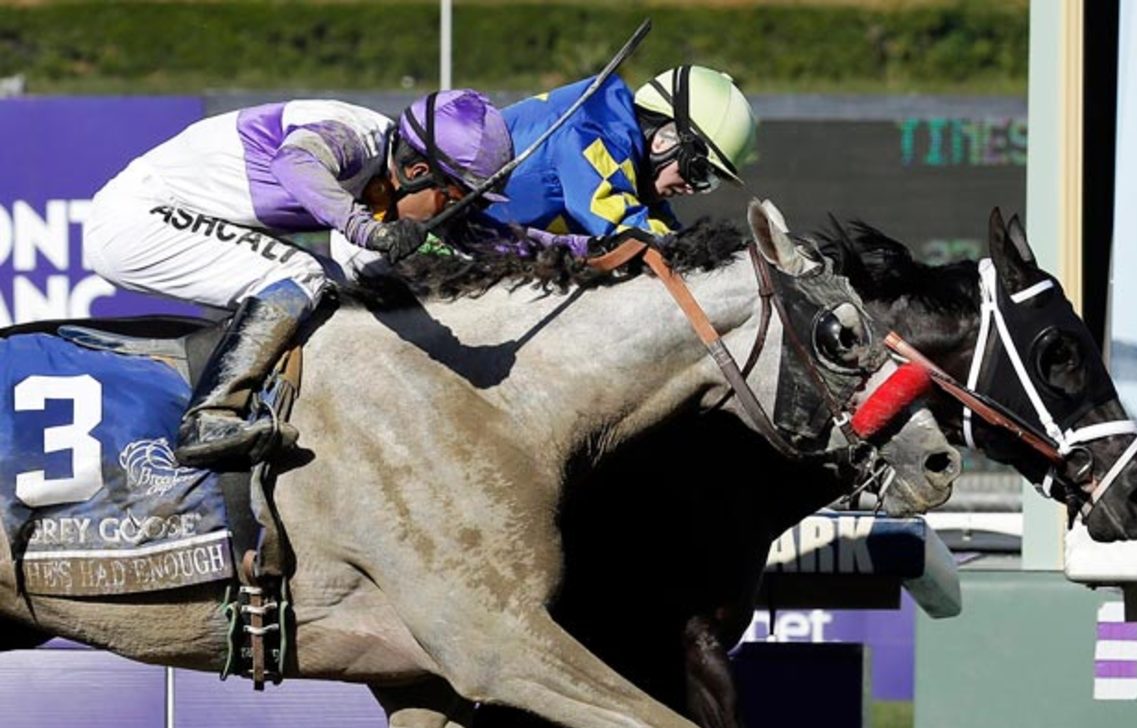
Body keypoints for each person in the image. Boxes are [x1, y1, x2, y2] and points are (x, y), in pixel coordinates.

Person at [83, 91, 514, 467]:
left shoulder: (386, 166)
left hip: (176, 216)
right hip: (138, 220)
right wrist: (369, 230)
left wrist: (571, 250)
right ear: (418, 171)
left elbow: (480, 238)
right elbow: (295, 162)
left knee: (341, 285)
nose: (452, 215)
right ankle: (210, 418)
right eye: (455, 200)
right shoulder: (354, 137)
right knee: (301, 273)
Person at [475, 65, 757, 255]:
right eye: (697, 171)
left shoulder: (627, 158)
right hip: (442, 235)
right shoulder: (590, 134)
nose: (693, 188)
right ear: (665, 139)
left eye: (708, 181)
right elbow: (627, 230)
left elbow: (665, 228)